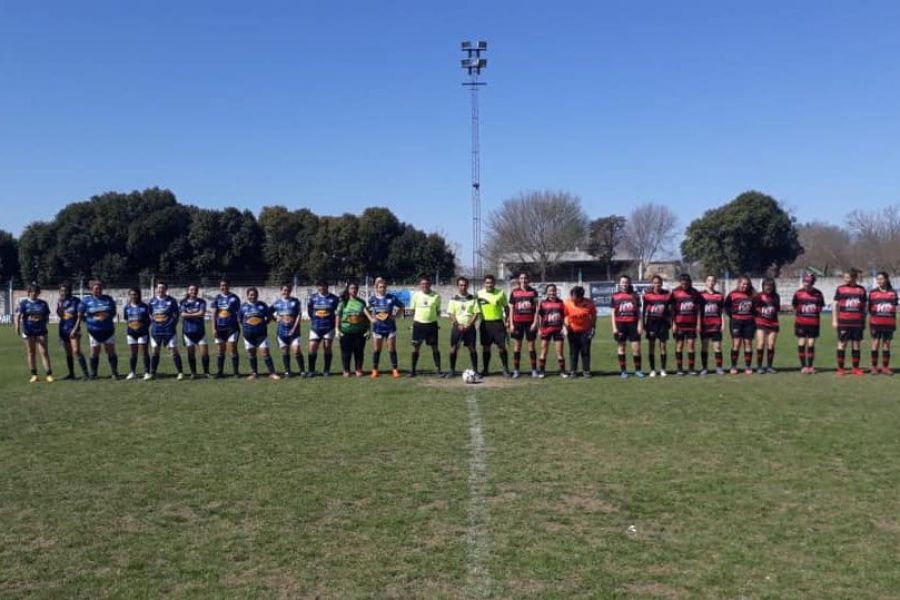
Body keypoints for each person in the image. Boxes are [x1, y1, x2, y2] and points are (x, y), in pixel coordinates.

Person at [79, 280, 120, 379]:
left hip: (108, 329)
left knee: (110, 350)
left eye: (100, 288)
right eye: (96, 289)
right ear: (91, 290)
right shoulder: (86, 301)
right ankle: (94, 373)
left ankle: (114, 372)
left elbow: (113, 312)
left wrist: (105, 316)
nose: (98, 290)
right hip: (94, 331)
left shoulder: (108, 299)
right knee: (94, 352)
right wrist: (90, 320)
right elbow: (81, 314)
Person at [365, 277, 404, 378]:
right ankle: (375, 370)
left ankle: (395, 370)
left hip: (390, 328)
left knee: (392, 349)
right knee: (377, 350)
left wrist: (396, 316)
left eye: (384, 287)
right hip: (377, 328)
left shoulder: (391, 298)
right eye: (380, 287)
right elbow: (365, 309)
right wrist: (371, 319)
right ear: (377, 288)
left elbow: (402, 306)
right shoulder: (373, 299)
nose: (382, 289)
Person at [239, 287, 280, 380]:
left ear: (257, 295)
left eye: (254, 294)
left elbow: (269, 316)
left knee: (265, 352)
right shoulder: (243, 307)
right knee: (251, 353)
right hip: (248, 335)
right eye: (250, 295)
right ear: (247, 296)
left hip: (261, 334)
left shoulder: (262, 305)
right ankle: (254, 373)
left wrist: (265, 323)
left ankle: (272, 373)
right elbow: (240, 320)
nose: (252, 296)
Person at [833, 268, 867, 376]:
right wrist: (834, 320)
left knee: (856, 344)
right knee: (842, 344)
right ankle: (840, 369)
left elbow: (864, 306)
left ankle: (856, 368)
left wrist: (864, 320)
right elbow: (835, 305)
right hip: (844, 322)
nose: (845, 279)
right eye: (844, 277)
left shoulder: (861, 290)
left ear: (854, 277)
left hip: (857, 322)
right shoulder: (840, 289)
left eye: (847, 277)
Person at [16, 283, 53, 383]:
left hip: (41, 331)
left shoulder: (43, 303)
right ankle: (34, 375)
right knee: (31, 352)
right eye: (32, 292)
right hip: (28, 331)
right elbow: (18, 316)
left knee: (44, 352)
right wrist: (18, 328)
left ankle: (49, 374)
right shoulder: (23, 303)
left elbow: (46, 316)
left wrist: (43, 322)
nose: (34, 294)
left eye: (37, 292)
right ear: (29, 292)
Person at [446, 277, 481, 377]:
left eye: (465, 285)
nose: (463, 287)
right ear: (458, 286)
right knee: (453, 349)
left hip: (469, 328)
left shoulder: (473, 298)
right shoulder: (453, 299)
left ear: (468, 285)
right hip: (457, 328)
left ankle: (476, 371)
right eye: (461, 285)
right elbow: (451, 314)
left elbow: (475, 313)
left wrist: (469, 324)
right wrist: (458, 325)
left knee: (472, 349)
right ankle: (452, 371)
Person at [147, 281, 184, 380]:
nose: (160, 290)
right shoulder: (151, 301)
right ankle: (152, 373)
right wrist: (154, 323)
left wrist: (171, 325)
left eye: (163, 288)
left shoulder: (172, 301)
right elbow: (150, 314)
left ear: (166, 289)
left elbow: (176, 315)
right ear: (156, 289)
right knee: (155, 351)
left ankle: (180, 372)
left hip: (169, 330)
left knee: (174, 351)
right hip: (156, 330)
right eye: (159, 288)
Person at [476, 274, 510, 377]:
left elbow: (506, 307)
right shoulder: (479, 294)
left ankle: (505, 369)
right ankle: (485, 369)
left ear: (494, 283)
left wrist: (507, 320)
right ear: (484, 283)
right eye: (487, 283)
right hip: (485, 324)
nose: (489, 284)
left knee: (502, 348)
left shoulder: (500, 293)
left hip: (498, 323)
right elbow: (475, 309)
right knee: (486, 348)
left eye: (491, 282)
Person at [670, 273, 704, 376]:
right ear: (680, 282)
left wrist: (698, 324)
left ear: (689, 282)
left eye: (686, 283)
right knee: (679, 346)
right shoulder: (675, 292)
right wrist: (673, 324)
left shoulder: (695, 293)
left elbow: (698, 310)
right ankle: (679, 369)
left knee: (691, 346)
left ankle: (691, 369)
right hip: (679, 324)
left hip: (691, 324)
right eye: (682, 283)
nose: (684, 285)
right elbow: (672, 310)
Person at [408, 276, 442, 377]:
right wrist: (416, 321)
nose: (425, 286)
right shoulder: (416, 296)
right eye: (423, 284)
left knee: (435, 347)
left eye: (427, 284)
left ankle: (438, 370)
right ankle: (413, 370)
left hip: (432, 324)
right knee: (416, 348)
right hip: (418, 324)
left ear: (430, 284)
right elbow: (412, 310)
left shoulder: (436, 296)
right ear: (420, 285)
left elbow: (437, 311)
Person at [792, 273, 825, 374]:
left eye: (808, 282)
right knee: (802, 342)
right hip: (801, 322)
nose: (806, 284)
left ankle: (810, 366)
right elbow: (794, 305)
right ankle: (803, 366)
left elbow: (820, 307)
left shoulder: (818, 294)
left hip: (813, 322)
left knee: (811, 343)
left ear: (812, 283)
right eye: (805, 282)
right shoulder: (798, 293)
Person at [611, 275, 643, 379]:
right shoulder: (615, 296)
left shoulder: (635, 296)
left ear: (629, 283)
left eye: (626, 282)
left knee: (636, 349)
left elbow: (639, 312)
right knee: (621, 348)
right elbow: (612, 313)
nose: (624, 284)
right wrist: (614, 327)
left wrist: (639, 325)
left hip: (633, 324)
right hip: (621, 325)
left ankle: (638, 370)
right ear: (619, 283)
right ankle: (623, 371)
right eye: (623, 282)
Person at [508, 272, 540, 378]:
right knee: (517, 346)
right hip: (517, 323)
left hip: (530, 323)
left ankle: (534, 370)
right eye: (521, 278)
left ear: (528, 279)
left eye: (525, 278)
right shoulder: (514, 292)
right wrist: (511, 324)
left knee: (531, 346)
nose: (523, 280)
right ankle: (516, 370)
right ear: (519, 279)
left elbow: (536, 309)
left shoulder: (533, 292)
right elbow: (511, 309)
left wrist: (535, 322)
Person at [56, 282, 89, 379]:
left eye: (65, 290)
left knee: (76, 351)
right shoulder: (61, 302)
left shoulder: (76, 301)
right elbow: (60, 315)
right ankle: (71, 374)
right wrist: (59, 304)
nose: (63, 292)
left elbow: (80, 316)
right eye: (61, 291)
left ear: (69, 291)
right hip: (63, 329)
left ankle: (86, 374)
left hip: (74, 329)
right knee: (68, 352)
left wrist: (75, 328)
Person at [271, 283, 305, 378]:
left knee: (296, 350)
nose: (286, 292)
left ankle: (302, 371)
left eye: (288, 290)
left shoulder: (295, 301)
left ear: (291, 291)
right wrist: (275, 319)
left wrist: (294, 328)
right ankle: (287, 371)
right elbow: (268, 312)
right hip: (281, 331)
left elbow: (299, 315)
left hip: (294, 332)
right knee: (285, 351)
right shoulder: (277, 303)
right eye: (284, 290)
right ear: (281, 291)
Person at [307, 281, 340, 377]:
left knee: (327, 348)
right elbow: (310, 311)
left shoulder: (334, 298)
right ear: (317, 287)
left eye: (324, 286)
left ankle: (326, 370)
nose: (321, 288)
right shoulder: (313, 298)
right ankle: (311, 371)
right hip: (315, 327)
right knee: (312, 347)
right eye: (319, 286)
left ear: (327, 287)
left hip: (328, 327)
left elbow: (337, 312)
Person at [725, 276, 756, 375]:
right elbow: (726, 307)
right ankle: (734, 367)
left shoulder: (753, 295)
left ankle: (748, 367)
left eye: (747, 284)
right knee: (736, 343)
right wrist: (733, 316)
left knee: (748, 343)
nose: (745, 286)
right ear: (738, 284)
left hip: (749, 323)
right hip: (736, 322)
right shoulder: (732, 294)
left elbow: (756, 308)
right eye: (743, 284)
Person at [336, 281, 368, 377]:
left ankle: (358, 369)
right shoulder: (343, 302)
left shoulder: (362, 302)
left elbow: (366, 317)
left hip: (359, 331)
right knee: (346, 352)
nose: (353, 290)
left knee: (359, 352)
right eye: (351, 288)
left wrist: (368, 329)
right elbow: (338, 315)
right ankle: (346, 370)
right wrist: (337, 329)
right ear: (348, 290)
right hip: (346, 332)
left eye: (355, 288)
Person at [642, 275, 672, 377]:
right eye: (655, 282)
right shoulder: (647, 295)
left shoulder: (667, 295)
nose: (657, 284)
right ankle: (653, 370)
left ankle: (663, 369)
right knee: (651, 347)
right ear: (652, 283)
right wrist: (644, 324)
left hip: (663, 324)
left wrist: (669, 322)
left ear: (661, 283)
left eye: (659, 283)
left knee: (663, 347)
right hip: (651, 324)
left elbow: (670, 310)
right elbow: (644, 311)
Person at [564, 286, 596, 377]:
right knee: (573, 352)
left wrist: (593, 327)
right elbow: (565, 315)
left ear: (580, 296)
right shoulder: (567, 303)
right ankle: (573, 371)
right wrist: (566, 326)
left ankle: (586, 371)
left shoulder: (589, 303)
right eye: (571, 295)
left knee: (585, 351)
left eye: (574, 296)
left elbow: (593, 315)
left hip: (585, 331)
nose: (572, 298)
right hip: (572, 331)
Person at [212, 278, 242, 378]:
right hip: (219, 327)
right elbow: (213, 314)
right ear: (220, 287)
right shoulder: (217, 298)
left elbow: (240, 313)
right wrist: (213, 328)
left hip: (232, 327)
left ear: (229, 286)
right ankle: (220, 372)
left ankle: (236, 372)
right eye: (222, 285)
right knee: (220, 350)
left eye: (225, 285)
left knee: (232, 348)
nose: (223, 287)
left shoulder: (234, 298)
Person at [868, 271, 897, 375]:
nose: (880, 281)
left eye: (882, 279)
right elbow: (870, 308)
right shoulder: (872, 293)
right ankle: (874, 367)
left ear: (886, 279)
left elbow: (894, 307)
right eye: (878, 279)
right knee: (875, 343)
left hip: (889, 323)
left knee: (886, 344)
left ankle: (885, 367)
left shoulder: (893, 292)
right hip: (876, 323)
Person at [180, 284, 210, 378]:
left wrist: (190, 314)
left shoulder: (201, 301)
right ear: (188, 291)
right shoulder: (183, 302)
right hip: (188, 332)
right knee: (191, 354)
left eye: (195, 290)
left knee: (204, 353)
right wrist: (196, 314)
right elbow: (183, 315)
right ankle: (194, 373)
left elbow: (202, 313)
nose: (194, 291)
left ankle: (206, 373)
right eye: (191, 290)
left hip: (200, 332)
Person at [537, 284, 567, 378]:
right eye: (550, 291)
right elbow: (539, 317)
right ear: (546, 292)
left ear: (556, 291)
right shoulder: (542, 303)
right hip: (546, 329)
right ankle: (542, 371)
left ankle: (562, 371)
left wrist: (564, 327)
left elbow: (564, 316)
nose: (552, 293)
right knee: (544, 350)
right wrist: (539, 329)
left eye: (553, 291)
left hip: (558, 330)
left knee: (559, 351)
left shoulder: (561, 302)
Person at [699, 275, 725, 375]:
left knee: (717, 347)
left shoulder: (719, 295)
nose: (711, 282)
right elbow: (698, 311)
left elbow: (721, 311)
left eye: (713, 280)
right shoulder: (700, 295)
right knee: (704, 347)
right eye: (709, 280)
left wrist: (723, 323)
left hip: (716, 325)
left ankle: (719, 368)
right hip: (705, 325)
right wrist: (698, 324)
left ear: (715, 283)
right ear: (705, 282)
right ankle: (704, 368)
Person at [753, 278, 780, 374]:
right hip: (761, 323)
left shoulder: (776, 296)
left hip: (773, 323)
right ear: (763, 286)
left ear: (773, 287)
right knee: (761, 344)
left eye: (770, 286)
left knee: (771, 344)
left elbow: (777, 309)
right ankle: (759, 366)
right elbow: (754, 308)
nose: (768, 287)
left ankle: (769, 366)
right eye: (766, 285)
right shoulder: (758, 296)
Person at [123, 287, 151, 380]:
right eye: (131, 294)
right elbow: (126, 318)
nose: (133, 296)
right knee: (133, 353)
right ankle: (132, 372)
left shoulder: (144, 307)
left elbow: (148, 320)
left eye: (135, 294)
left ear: (139, 295)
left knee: (144, 352)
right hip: (131, 332)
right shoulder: (127, 307)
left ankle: (147, 372)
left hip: (142, 332)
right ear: (129, 296)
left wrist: (143, 327)